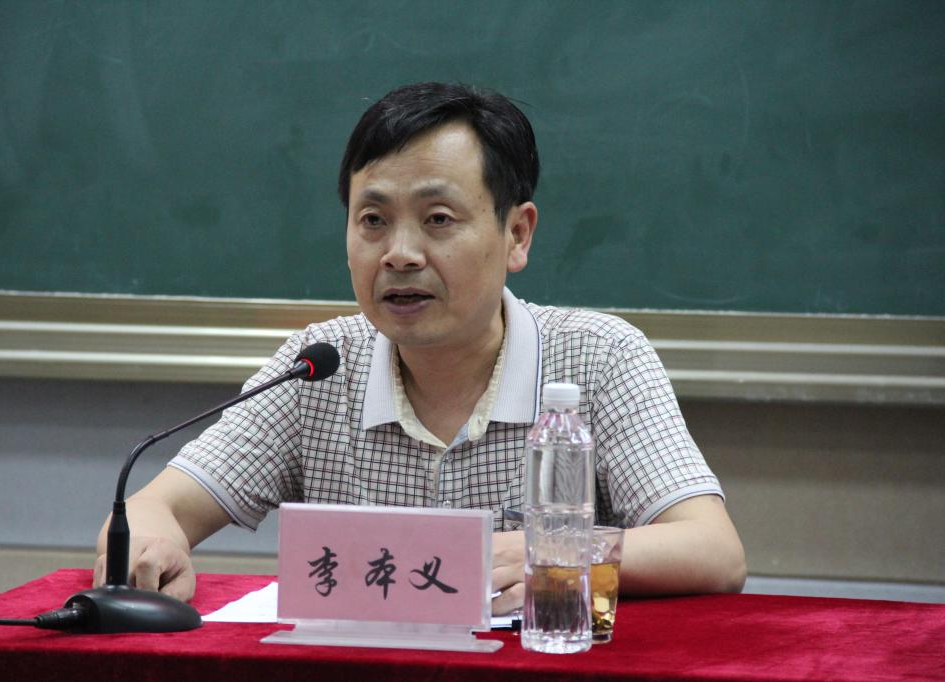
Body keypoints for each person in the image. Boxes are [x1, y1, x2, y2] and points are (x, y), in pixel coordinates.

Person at [94, 82, 746, 614]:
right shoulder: (319, 366)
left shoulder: (598, 358)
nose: (400, 254)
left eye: (438, 220)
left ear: (517, 235)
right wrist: (150, 549)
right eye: (373, 221)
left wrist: (556, 551)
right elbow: (155, 506)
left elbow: (712, 551)